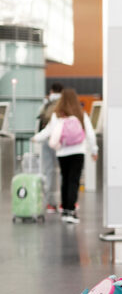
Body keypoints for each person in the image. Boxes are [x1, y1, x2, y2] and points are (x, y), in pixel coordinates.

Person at [32, 88, 98, 224]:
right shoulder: (81, 114)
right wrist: (94, 150)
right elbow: (90, 134)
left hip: (62, 152)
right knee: (74, 181)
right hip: (78, 151)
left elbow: (48, 131)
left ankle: (64, 210)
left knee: (65, 180)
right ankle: (70, 211)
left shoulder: (57, 115)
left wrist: (36, 138)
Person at [36, 83, 62, 213]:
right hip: (60, 142)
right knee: (63, 172)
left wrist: (37, 137)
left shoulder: (48, 104)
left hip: (49, 141)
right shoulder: (64, 104)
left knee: (48, 171)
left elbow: (42, 119)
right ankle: (63, 202)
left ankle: (51, 203)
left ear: (51, 91)